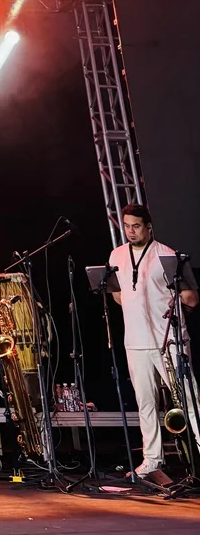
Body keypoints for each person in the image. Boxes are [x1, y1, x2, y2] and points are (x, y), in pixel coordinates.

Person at [109, 203, 200, 477]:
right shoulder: (116, 255)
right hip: (135, 341)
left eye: (136, 226)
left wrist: (177, 301)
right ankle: (152, 459)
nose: (130, 231)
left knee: (189, 399)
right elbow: (116, 293)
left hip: (168, 339)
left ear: (149, 227)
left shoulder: (167, 255)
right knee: (145, 402)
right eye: (126, 226)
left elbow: (192, 298)